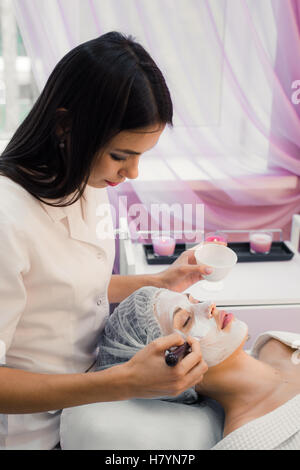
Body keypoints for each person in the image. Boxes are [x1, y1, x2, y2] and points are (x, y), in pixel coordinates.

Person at [0, 32, 211, 450]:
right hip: (28, 433)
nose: (132, 173)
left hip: (88, 414)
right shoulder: (7, 217)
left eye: (140, 156)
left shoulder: (86, 180)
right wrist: (123, 382)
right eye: (121, 155)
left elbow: (68, 290)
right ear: (65, 125)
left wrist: (161, 284)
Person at [60, 286, 300, 450]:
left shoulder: (276, 344)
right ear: (171, 370)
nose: (209, 306)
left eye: (193, 301)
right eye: (186, 320)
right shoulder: (249, 441)